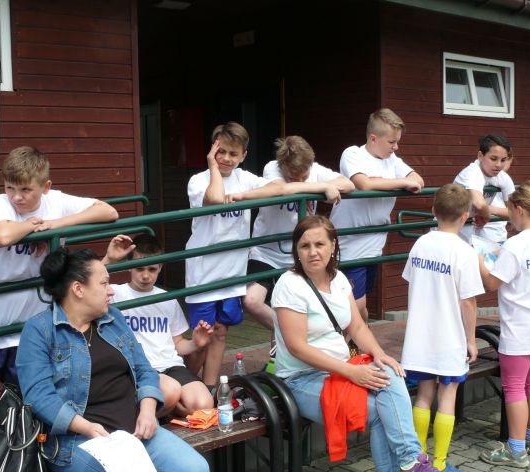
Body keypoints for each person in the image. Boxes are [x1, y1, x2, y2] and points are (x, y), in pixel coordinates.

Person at [16, 247, 210, 472]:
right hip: (74, 440)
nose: (111, 290)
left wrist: (148, 409)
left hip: (132, 429)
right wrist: (86, 427)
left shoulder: (112, 318)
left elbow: (144, 369)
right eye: (104, 283)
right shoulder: (40, 331)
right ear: (78, 289)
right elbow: (38, 397)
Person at [272, 215, 456, 472]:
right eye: (305, 245)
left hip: (342, 369)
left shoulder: (339, 279)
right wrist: (352, 372)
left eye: (320, 244)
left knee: (391, 373)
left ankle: (410, 463)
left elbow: (357, 326)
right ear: (296, 251)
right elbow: (297, 347)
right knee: (380, 414)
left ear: (333, 246)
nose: (313, 252)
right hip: (302, 379)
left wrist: (380, 354)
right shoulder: (290, 285)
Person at [0, 146, 119, 450]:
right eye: (10, 188)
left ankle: (27, 449)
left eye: (25, 190)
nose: (17, 197)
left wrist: (54, 226)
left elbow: (108, 211)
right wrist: (33, 228)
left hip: (30, 321)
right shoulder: (0, 202)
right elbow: (2, 235)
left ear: (45, 187)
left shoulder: (55, 201)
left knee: (30, 389)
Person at [184, 122, 285, 387]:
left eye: (233, 153)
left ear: (243, 156)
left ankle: (210, 390)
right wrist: (212, 166)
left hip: (232, 272)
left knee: (220, 332)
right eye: (221, 151)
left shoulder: (245, 178)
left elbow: (277, 188)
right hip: (204, 272)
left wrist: (243, 195)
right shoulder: (199, 180)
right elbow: (215, 198)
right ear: (212, 149)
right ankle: (186, 385)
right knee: (202, 338)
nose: (227, 158)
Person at [401, 184, 484, 472]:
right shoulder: (464, 251)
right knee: (447, 396)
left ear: (433, 210)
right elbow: (469, 302)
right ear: (465, 216)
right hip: (450, 338)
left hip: (419, 337)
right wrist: (471, 340)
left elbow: (411, 280)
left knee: (423, 395)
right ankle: (438, 463)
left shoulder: (420, 244)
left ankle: (418, 460)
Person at [476, 181, 530, 467]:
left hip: (520, 329)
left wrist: (480, 260)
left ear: (520, 210)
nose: (509, 216)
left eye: (510, 210)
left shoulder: (515, 245)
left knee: (514, 387)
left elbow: (492, 283)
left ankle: (515, 450)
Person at [240, 135, 353, 331]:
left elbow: (348, 184)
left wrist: (310, 186)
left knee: (299, 305)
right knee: (251, 301)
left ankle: (294, 338)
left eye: (304, 176)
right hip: (266, 251)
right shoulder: (271, 168)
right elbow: (282, 189)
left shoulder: (316, 169)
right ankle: (292, 333)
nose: (300, 180)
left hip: (300, 253)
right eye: (293, 177)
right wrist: (323, 187)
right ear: (282, 166)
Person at [334, 108, 426, 322]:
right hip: (349, 241)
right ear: (373, 138)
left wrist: (383, 182)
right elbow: (364, 184)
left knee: (359, 303)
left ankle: (359, 339)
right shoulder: (353, 154)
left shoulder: (393, 160)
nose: (396, 147)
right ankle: (357, 340)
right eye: (392, 142)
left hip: (375, 240)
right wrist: (401, 182)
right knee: (355, 304)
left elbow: (418, 180)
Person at [111, 233, 214, 417]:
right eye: (139, 268)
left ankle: (167, 411)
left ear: (160, 267)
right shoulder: (115, 294)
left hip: (170, 365)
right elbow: (89, 282)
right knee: (168, 393)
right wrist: (110, 259)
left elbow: (177, 344)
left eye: (152, 269)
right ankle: (161, 411)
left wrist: (195, 343)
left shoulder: (168, 298)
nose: (145, 275)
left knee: (203, 405)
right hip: (140, 368)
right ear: (129, 266)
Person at [454, 134, 515, 244]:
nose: (498, 165)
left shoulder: (503, 177)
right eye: (493, 159)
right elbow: (479, 205)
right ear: (480, 156)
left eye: (503, 160)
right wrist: (485, 215)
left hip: (471, 226)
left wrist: (488, 211)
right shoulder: (472, 173)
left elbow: (515, 211)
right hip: (450, 227)